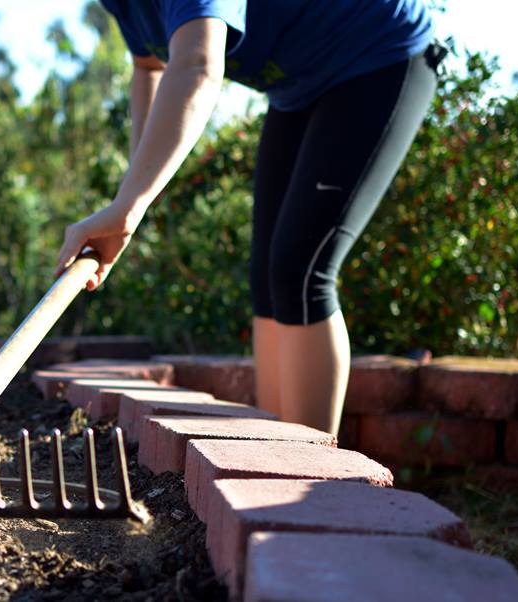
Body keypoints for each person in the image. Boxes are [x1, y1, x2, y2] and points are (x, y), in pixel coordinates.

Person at [55, 0, 445, 435]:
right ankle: (274, 449)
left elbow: (198, 66)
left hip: (377, 52)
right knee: (267, 279)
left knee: (300, 271)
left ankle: (306, 471)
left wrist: (129, 206)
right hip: (298, 87)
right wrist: (131, 197)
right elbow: (150, 66)